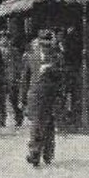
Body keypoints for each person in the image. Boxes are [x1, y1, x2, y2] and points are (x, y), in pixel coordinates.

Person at [20, 27, 63, 166]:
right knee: (37, 124)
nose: (45, 48)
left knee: (49, 125)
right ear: (38, 44)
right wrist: (22, 98)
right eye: (43, 44)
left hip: (51, 97)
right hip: (35, 96)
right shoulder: (30, 58)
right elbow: (25, 79)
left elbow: (63, 77)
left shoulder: (57, 58)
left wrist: (51, 69)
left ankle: (48, 153)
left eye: (48, 45)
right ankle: (34, 153)